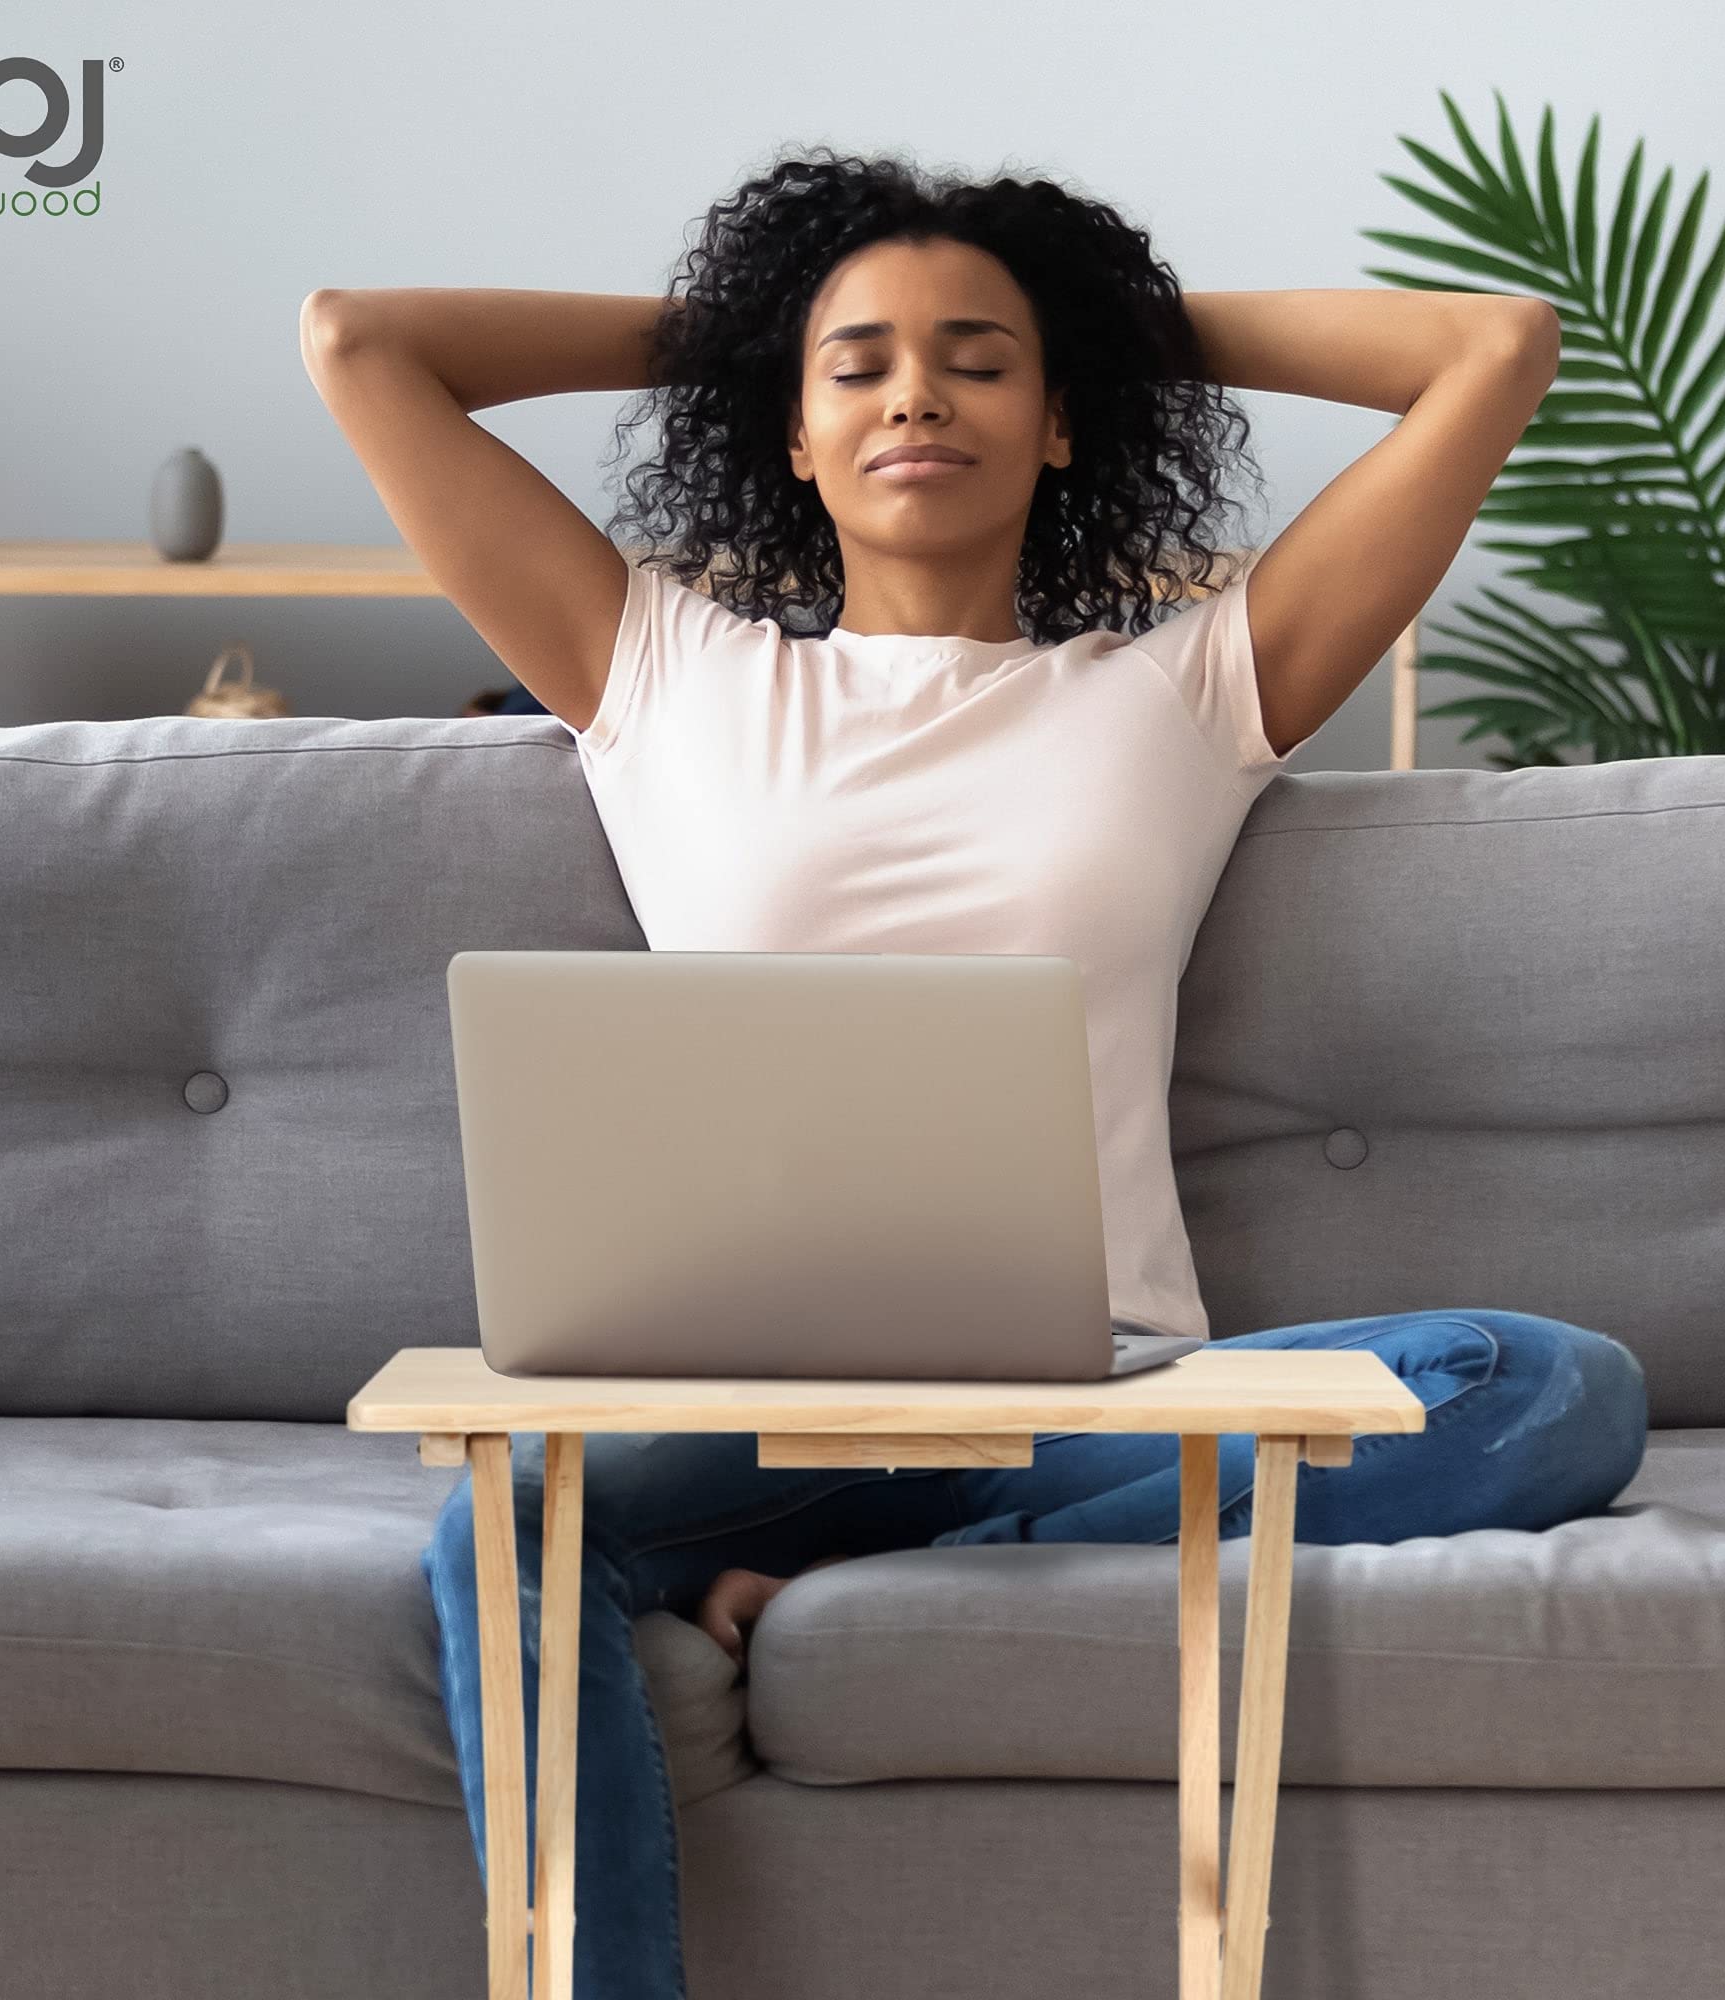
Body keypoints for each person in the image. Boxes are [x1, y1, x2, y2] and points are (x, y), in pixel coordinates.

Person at [301, 145, 1647, 1999]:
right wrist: (762, 328)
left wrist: (1093, 321)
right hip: (749, 1411)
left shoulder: (1189, 693)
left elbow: (1492, 345)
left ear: (1066, 422)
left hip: (1105, 1395)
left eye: (980, 360)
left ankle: (955, 1565)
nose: (915, 393)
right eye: (855, 367)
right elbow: (362, 340)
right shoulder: (660, 675)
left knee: (1550, 1388)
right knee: (504, 1522)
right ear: (786, 431)